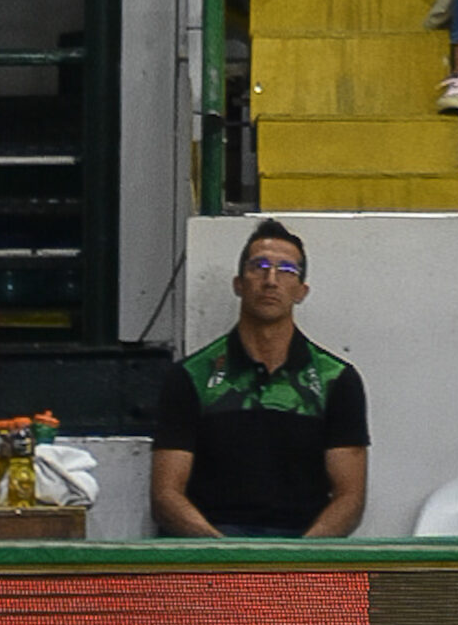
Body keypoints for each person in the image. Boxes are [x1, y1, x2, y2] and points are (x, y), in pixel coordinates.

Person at [151, 221, 368, 537]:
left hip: (302, 549)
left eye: (286, 270)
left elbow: (350, 499)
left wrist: (299, 557)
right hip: (211, 548)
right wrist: (224, 555)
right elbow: (166, 496)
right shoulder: (190, 377)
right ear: (238, 284)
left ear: (302, 291)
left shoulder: (336, 380)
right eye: (260, 267)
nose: (271, 280)